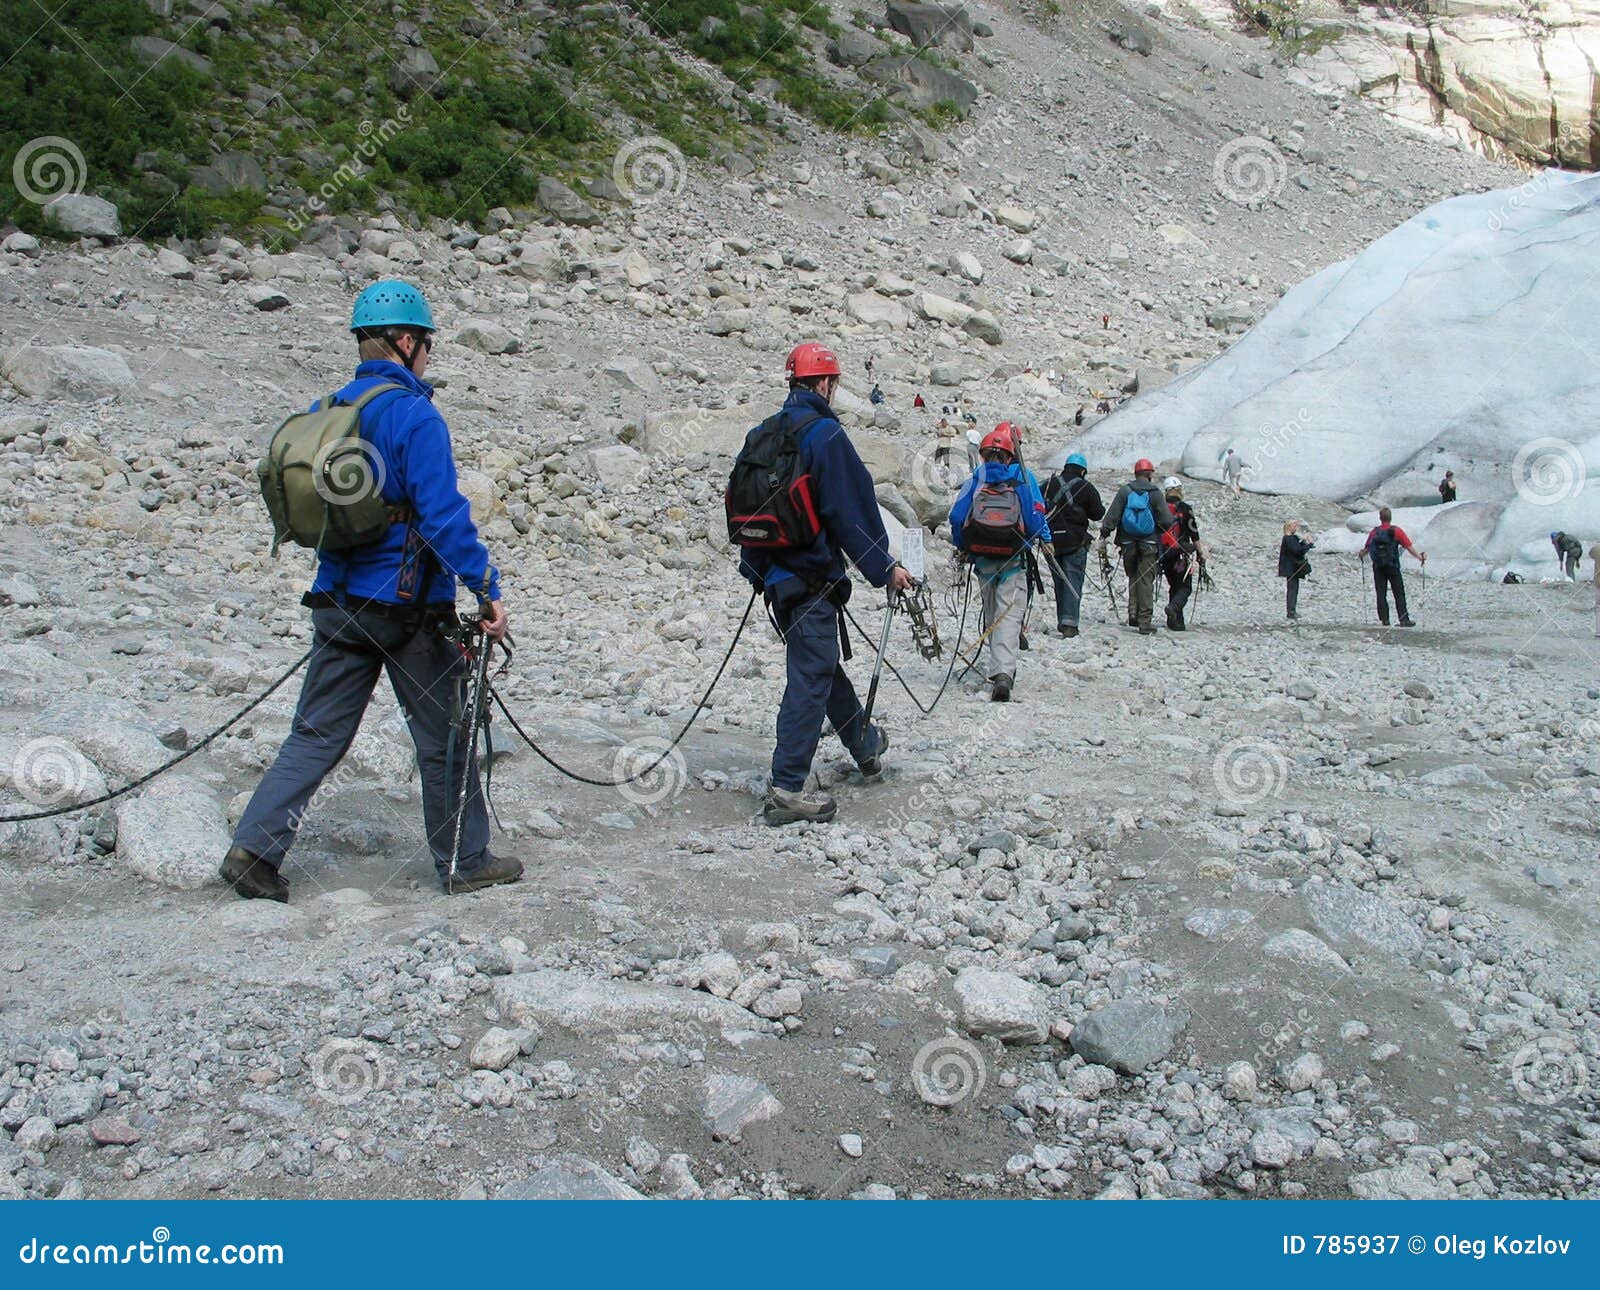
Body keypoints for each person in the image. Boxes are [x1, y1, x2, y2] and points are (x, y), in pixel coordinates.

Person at [223, 280, 518, 902]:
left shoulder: (329, 409)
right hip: (406, 612)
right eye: (428, 344)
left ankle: (255, 850)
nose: (429, 356)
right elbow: (442, 518)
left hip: (336, 604)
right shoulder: (415, 415)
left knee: (316, 735)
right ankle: (464, 861)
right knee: (444, 739)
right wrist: (487, 589)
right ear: (407, 341)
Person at [738, 343, 913, 826]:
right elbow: (850, 510)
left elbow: (752, 504)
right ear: (825, 384)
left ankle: (864, 744)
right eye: (833, 383)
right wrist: (884, 569)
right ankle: (787, 787)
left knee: (819, 662)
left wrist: (754, 570)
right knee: (811, 675)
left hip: (776, 580)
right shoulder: (825, 435)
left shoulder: (763, 433)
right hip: (812, 578)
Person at [950, 424, 1050, 701]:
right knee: (1009, 613)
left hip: (982, 559)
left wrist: (964, 546)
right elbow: (1033, 522)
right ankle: (1003, 672)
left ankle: (996, 664)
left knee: (991, 609)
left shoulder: (974, 480)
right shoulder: (1021, 481)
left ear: (983, 455)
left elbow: (957, 518)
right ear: (1009, 456)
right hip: (1012, 560)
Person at [1098, 458, 1175, 635]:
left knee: (1133, 576)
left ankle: (1132, 613)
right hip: (1149, 543)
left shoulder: (1125, 491)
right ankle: (1144, 621)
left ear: (1135, 473)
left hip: (1127, 542)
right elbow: (1166, 520)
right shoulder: (1155, 493)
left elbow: (1113, 514)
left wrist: (1104, 533)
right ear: (1150, 474)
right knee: (1145, 580)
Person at [1042, 452, 1104, 637]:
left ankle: (1062, 618)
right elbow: (1097, 513)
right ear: (1083, 470)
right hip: (1076, 541)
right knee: (1072, 579)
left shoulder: (1048, 484)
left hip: (1051, 542)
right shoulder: (1086, 487)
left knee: (1059, 580)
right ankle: (1069, 623)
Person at [1361, 507, 1425, 626]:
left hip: (1378, 567)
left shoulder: (1375, 532)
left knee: (1381, 592)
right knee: (1398, 592)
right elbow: (1408, 546)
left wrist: (1361, 554)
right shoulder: (1396, 531)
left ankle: (1385, 620)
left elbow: (1367, 548)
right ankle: (1403, 619)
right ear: (1390, 518)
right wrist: (1419, 557)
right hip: (1393, 566)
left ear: (1380, 518)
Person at [1158, 476, 1204, 632]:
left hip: (1164, 553)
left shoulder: (1160, 507)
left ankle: (1176, 622)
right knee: (1185, 587)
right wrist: (1200, 553)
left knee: (1174, 585)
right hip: (1181, 553)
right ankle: (1173, 608)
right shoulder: (1185, 508)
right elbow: (1194, 533)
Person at [1279, 519, 1314, 620]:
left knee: (1293, 589)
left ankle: (1291, 611)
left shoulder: (1290, 538)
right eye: (1295, 526)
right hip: (1291, 569)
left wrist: (1304, 542)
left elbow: (1297, 549)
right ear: (1289, 527)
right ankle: (1291, 612)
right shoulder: (1289, 538)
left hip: (1291, 568)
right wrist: (1308, 544)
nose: (1296, 528)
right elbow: (1297, 551)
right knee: (1292, 590)